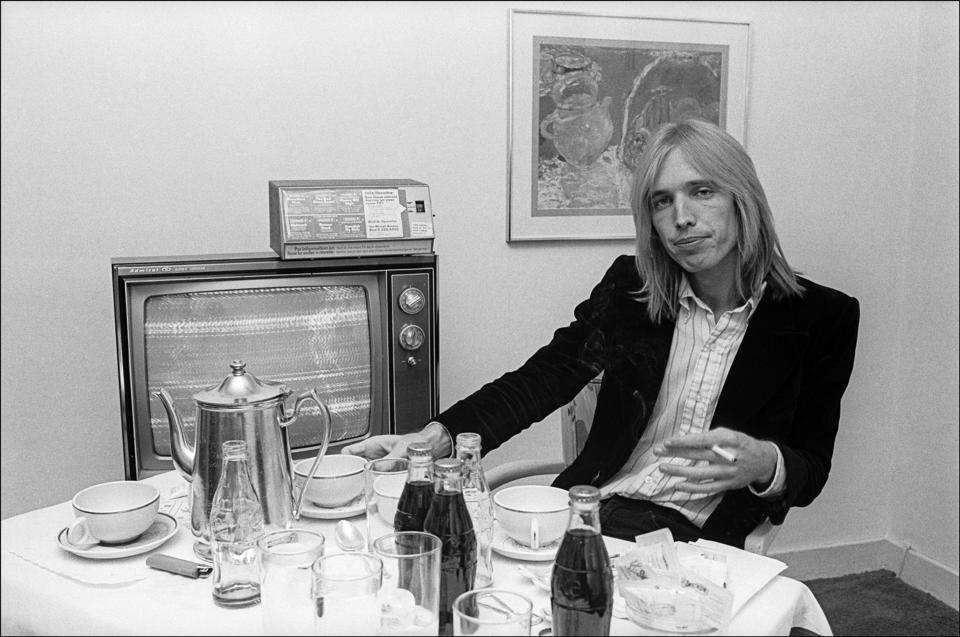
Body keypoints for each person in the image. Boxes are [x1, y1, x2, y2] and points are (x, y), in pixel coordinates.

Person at [344, 118, 860, 549]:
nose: (681, 218)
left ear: (742, 199)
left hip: (697, 537)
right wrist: (438, 437)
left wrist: (764, 461)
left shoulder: (821, 318)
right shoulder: (632, 290)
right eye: (662, 202)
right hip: (590, 508)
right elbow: (544, 377)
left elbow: (811, 468)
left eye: (702, 192)